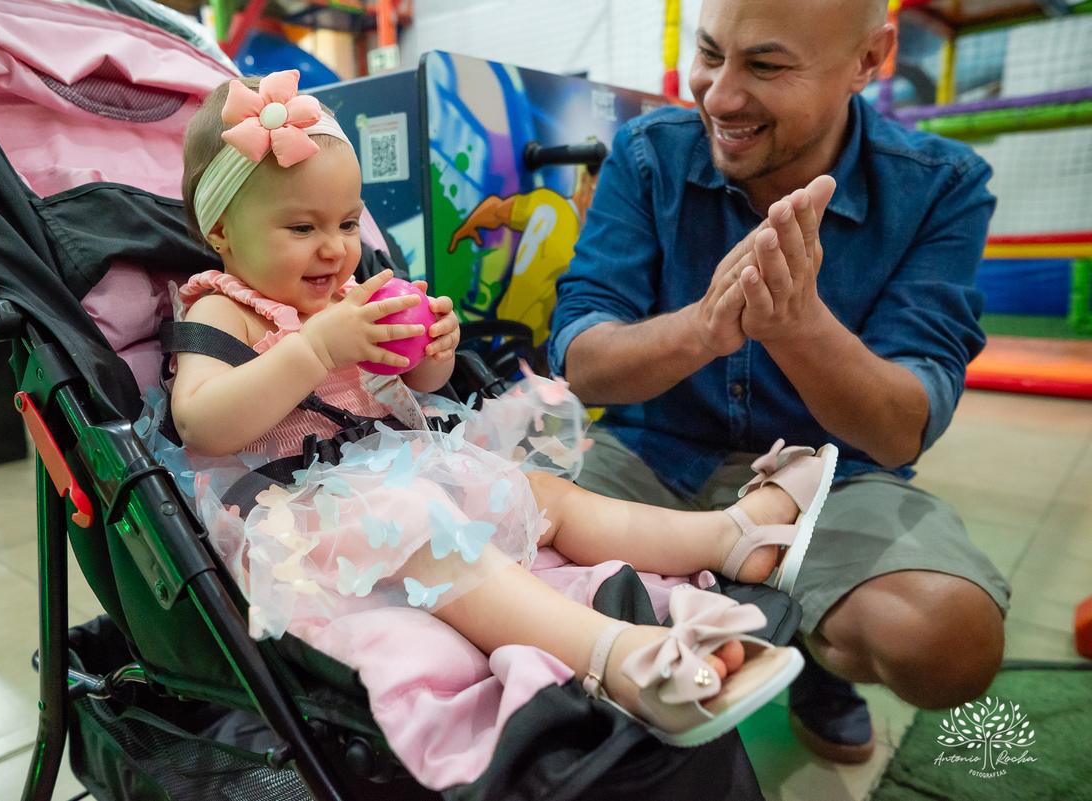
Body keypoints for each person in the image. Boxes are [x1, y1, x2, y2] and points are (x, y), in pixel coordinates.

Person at [166, 69, 841, 750]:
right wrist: (312, 349)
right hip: (294, 516)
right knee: (421, 525)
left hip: (389, 468)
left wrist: (431, 346)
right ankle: (619, 656)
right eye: (301, 226)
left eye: (346, 222)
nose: (336, 247)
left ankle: (731, 539)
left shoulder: (347, 295)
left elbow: (422, 382)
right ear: (221, 230)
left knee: (537, 490)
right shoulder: (225, 308)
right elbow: (201, 421)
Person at [549, 0, 1010, 765]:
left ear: (870, 59)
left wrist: (799, 326)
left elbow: (901, 427)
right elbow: (579, 359)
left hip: (835, 477)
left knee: (945, 640)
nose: (720, 96)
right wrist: (702, 327)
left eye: (765, 66)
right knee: (485, 557)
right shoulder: (646, 153)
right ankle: (744, 619)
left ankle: (801, 644)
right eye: (709, 52)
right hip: (651, 457)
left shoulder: (943, 186)